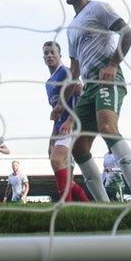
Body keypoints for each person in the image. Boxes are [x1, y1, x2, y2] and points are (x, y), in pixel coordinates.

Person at [54, 0, 131, 201]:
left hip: (108, 81)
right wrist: (63, 107)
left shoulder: (99, 8)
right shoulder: (71, 29)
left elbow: (128, 34)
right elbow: (74, 73)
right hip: (89, 88)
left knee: (107, 127)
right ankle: (105, 205)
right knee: (79, 148)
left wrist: (113, 64)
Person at [43, 41, 90, 202]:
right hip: (60, 129)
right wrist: (52, 135)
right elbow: (57, 113)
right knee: (63, 171)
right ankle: (87, 205)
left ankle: (66, 207)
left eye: (52, 52)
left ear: (59, 55)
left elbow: (82, 94)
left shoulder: (66, 72)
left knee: (57, 160)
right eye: (46, 53)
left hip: (74, 124)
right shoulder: (49, 83)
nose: (49, 55)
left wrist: (70, 120)